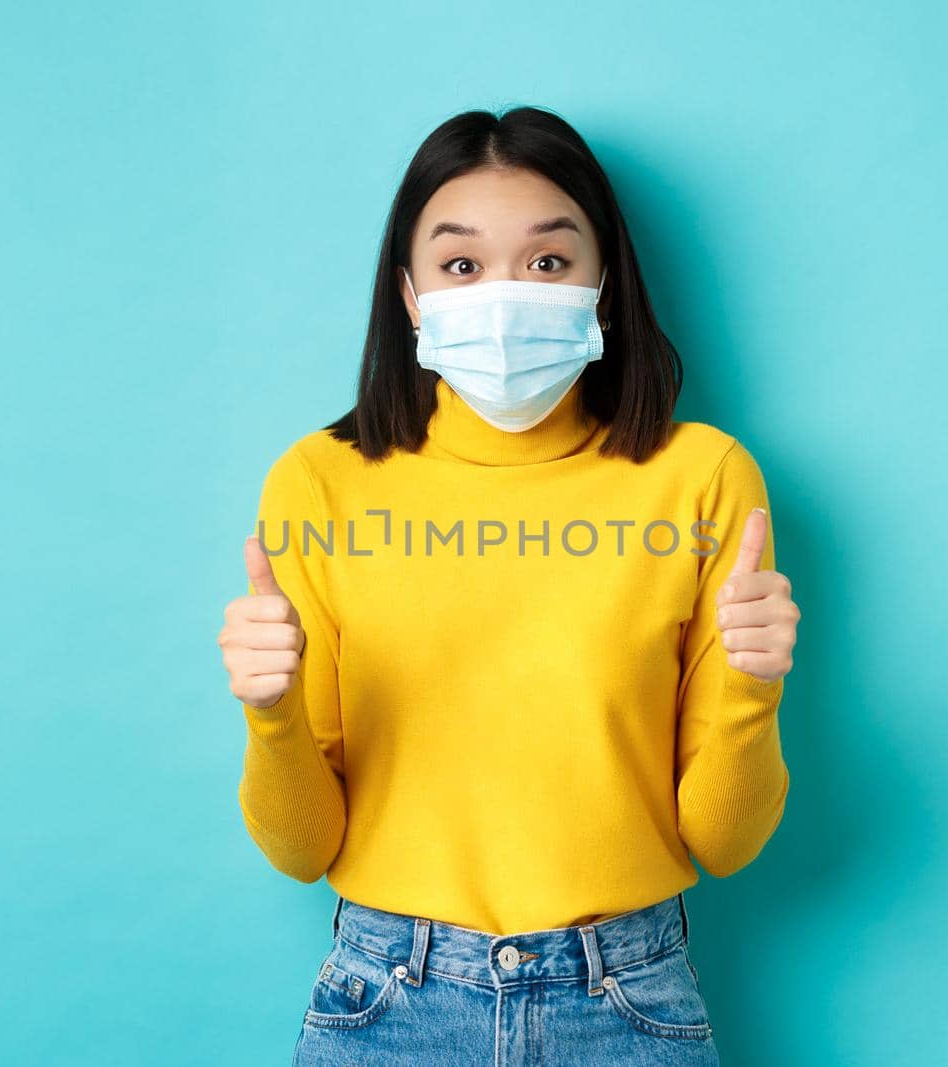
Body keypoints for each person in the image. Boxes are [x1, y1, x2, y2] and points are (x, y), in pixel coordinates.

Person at [218, 105, 801, 1066]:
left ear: (603, 284)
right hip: (388, 993)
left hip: (626, 996)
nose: (504, 294)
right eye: (460, 265)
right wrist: (271, 714)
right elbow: (301, 850)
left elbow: (725, 843)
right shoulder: (319, 480)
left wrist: (753, 687)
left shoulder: (701, 477)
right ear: (409, 295)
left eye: (546, 261)